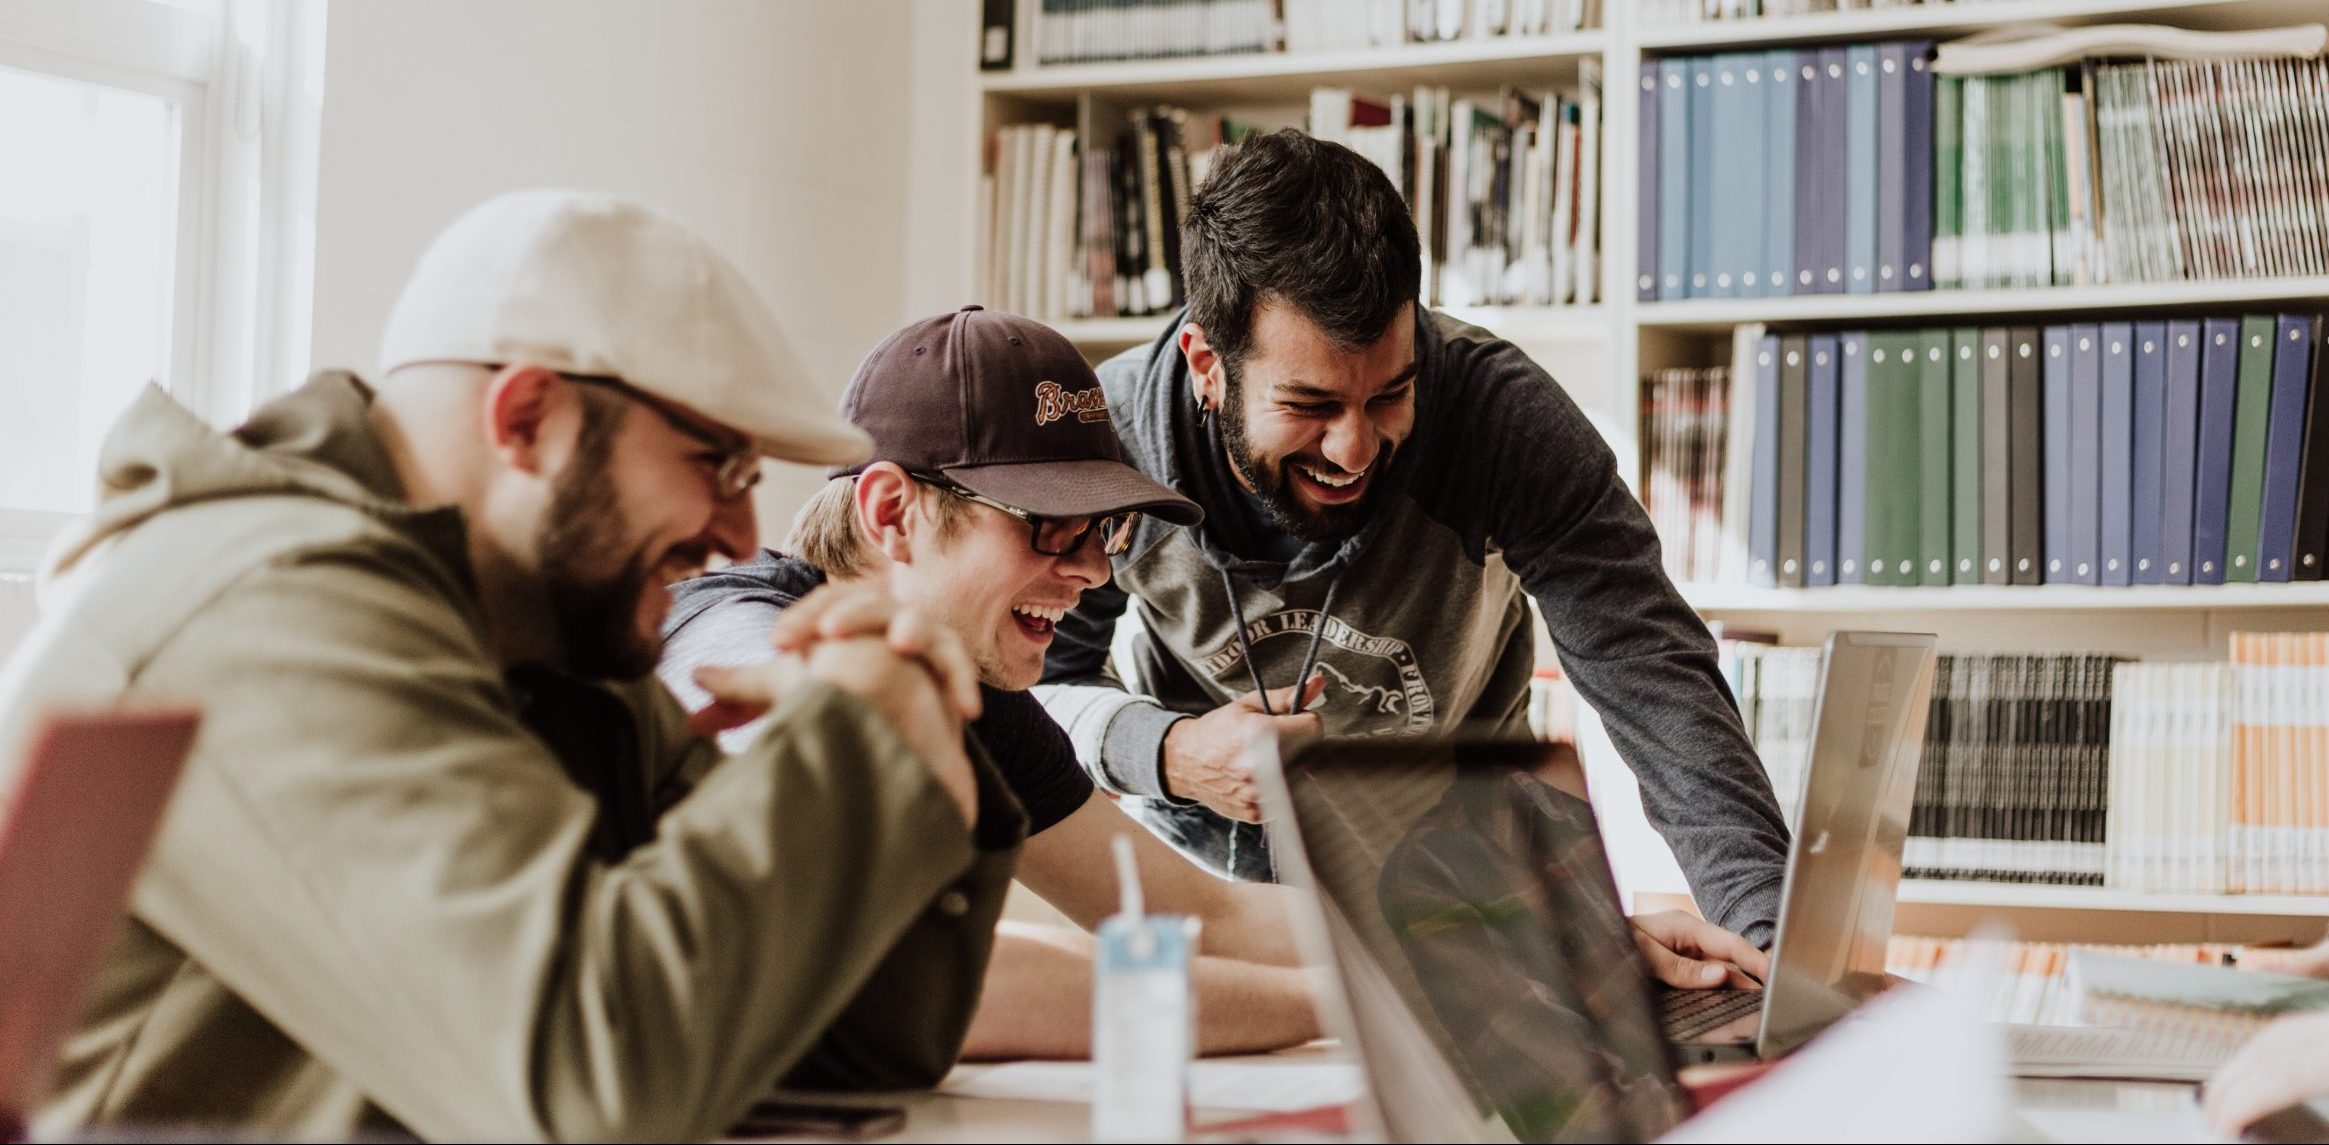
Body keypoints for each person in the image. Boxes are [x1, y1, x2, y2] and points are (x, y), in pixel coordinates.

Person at [0, 191, 1017, 1141]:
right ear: (526, 417)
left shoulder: (542, 637)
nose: (742, 532)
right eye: (717, 463)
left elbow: (841, 1048)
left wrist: (917, 737)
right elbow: (587, 1086)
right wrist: (854, 740)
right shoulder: (268, 610)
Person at [660, 306, 1769, 1058]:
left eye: (1103, 532)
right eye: (1051, 527)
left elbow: (1189, 910)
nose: (1094, 570)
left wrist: (1542, 942)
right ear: (893, 512)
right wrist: (1413, 999)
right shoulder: (738, 641)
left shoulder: (975, 689)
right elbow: (921, 974)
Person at [1032, 128, 1792, 946]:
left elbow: (1653, 677)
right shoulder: (1109, 448)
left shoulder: (1505, 422)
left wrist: (1767, 939)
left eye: (1389, 394)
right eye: (1311, 406)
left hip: (1459, 880)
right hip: (1205, 897)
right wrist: (1170, 752)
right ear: (1206, 364)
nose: (1353, 449)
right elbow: (1034, 690)